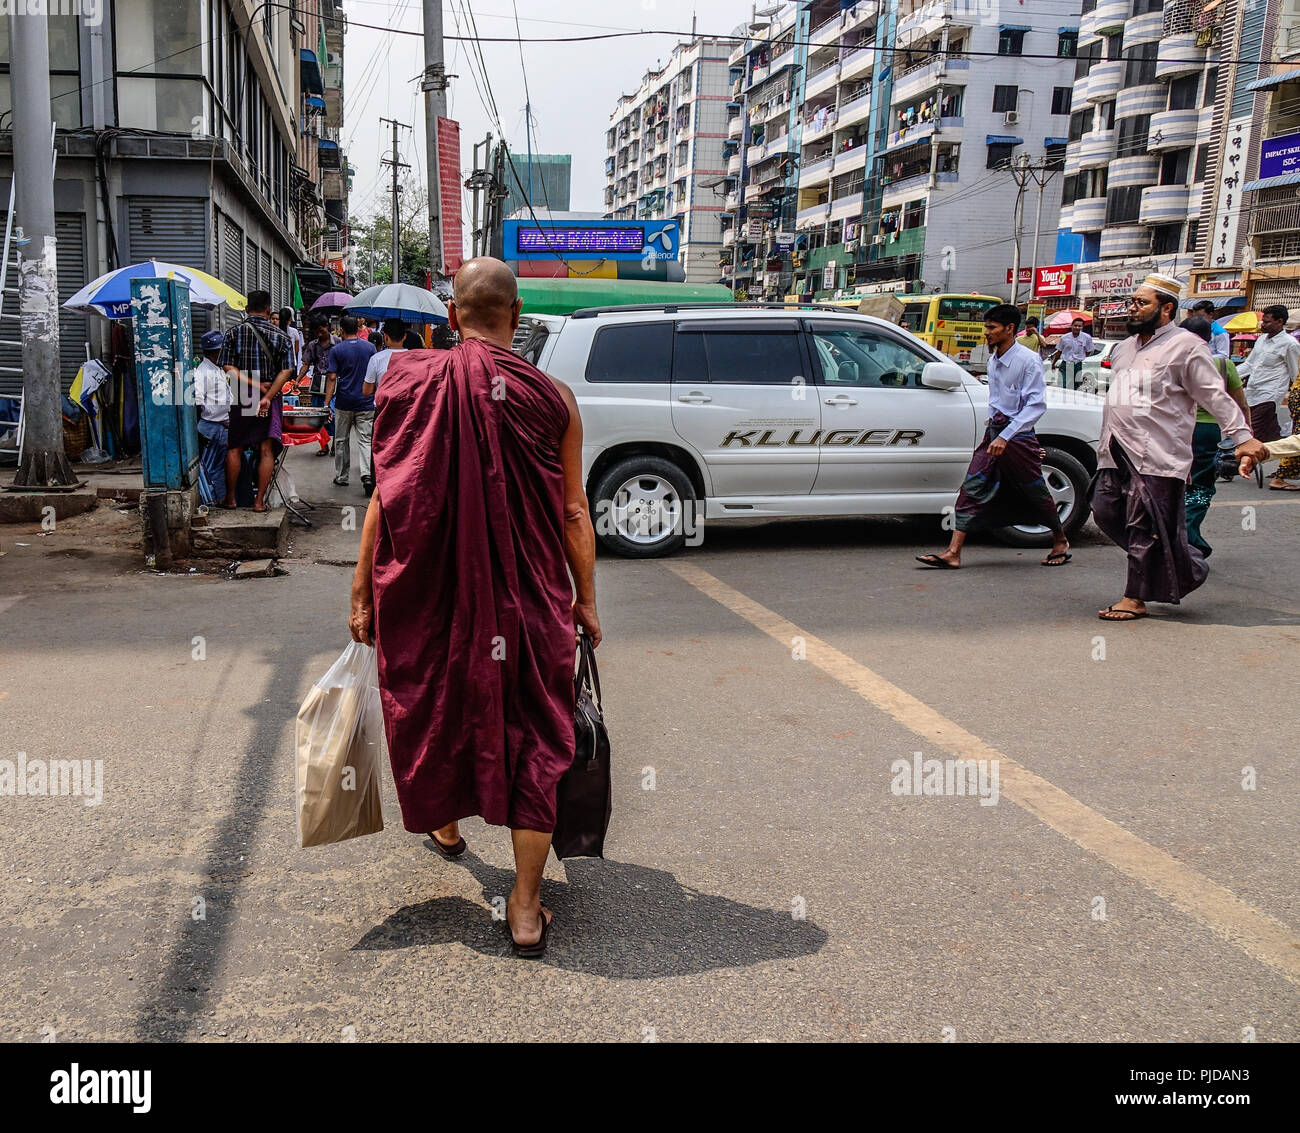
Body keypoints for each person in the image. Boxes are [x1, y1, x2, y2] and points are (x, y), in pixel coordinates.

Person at [349, 257, 601, 959]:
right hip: (532, 601)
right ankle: (525, 906)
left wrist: (362, 590)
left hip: (438, 600)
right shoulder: (553, 396)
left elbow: (387, 497)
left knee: (444, 706)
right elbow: (574, 511)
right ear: (517, 318)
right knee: (538, 736)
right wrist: (585, 601)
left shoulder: (410, 379)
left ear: (452, 317)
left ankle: (450, 827)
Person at [1090, 276, 1269, 622]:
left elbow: (1214, 395)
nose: (1132, 307)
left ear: (1166, 308)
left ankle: (1135, 597)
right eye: (1132, 301)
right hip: (1114, 448)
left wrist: (1242, 436)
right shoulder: (1125, 348)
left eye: (1141, 302)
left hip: (1157, 453)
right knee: (1105, 511)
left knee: (1143, 527)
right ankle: (1185, 566)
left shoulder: (1186, 346)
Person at [916, 303, 1071, 570]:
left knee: (1034, 490)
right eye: (986, 327)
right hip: (996, 433)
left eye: (992, 327)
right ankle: (953, 552)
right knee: (972, 487)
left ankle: (1060, 540)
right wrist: (993, 431)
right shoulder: (994, 359)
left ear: (1010, 329)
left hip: (1017, 437)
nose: (986, 332)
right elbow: (996, 400)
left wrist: (1007, 436)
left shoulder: (1027, 360)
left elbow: (1035, 405)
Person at [1180, 315, 1250, 555]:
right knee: (1201, 485)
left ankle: (1174, 533)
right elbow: (1240, 404)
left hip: (1176, 429)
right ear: (1209, 338)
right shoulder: (1223, 365)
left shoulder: (1172, 361)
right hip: (1209, 431)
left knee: (1175, 482)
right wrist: (1247, 436)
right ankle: (1189, 533)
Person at [219, 290, 292, 513]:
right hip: (271, 393)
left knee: (235, 447)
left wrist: (252, 384)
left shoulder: (233, 333)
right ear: (269, 310)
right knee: (266, 449)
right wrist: (267, 396)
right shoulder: (281, 336)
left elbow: (228, 367)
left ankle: (231, 498)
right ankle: (259, 502)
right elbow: (287, 370)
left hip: (242, 394)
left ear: (246, 308)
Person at [1235, 304, 1299, 472]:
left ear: (1280, 322)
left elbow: (1295, 373)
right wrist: (1228, 375)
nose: (1263, 325)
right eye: (1263, 321)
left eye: (1268, 322)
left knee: (1253, 432)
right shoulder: (1262, 340)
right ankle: (1282, 467)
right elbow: (1249, 365)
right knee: (1266, 434)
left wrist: (1294, 396)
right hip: (1253, 391)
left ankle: (1238, 463)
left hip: (1270, 394)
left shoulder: (1290, 344)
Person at [324, 314, 377, 495]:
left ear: (342, 330)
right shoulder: (370, 348)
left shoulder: (337, 350)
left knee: (341, 440)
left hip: (344, 401)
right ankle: (367, 474)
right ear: (358, 329)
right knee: (365, 440)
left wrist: (326, 403)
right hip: (366, 401)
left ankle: (342, 476)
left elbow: (332, 377)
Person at [193, 330, 230, 505]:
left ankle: (220, 498)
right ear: (215, 351)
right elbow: (197, 401)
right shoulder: (203, 371)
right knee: (210, 467)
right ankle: (211, 500)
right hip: (210, 426)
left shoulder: (218, 368)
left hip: (221, 425)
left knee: (219, 466)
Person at [362, 318, 413, 399]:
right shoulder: (414, 358)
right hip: (407, 408)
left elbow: (366, 391)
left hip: (383, 407)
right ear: (404, 336)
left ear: (385, 337)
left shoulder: (376, 359)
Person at [1050, 317, 1094, 390]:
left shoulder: (1086, 337)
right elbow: (1059, 351)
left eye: (1079, 326)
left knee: (1075, 386)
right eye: (1075, 325)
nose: (1077, 327)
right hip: (1065, 364)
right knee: (1063, 384)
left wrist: (1081, 358)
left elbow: (1089, 350)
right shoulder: (1064, 338)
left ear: (1082, 327)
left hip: (1077, 365)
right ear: (1071, 326)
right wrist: (1054, 363)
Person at [278, 306, 304, 373]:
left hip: (277, 365)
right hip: (291, 364)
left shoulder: (274, 331)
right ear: (289, 319)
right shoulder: (294, 331)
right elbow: (297, 349)